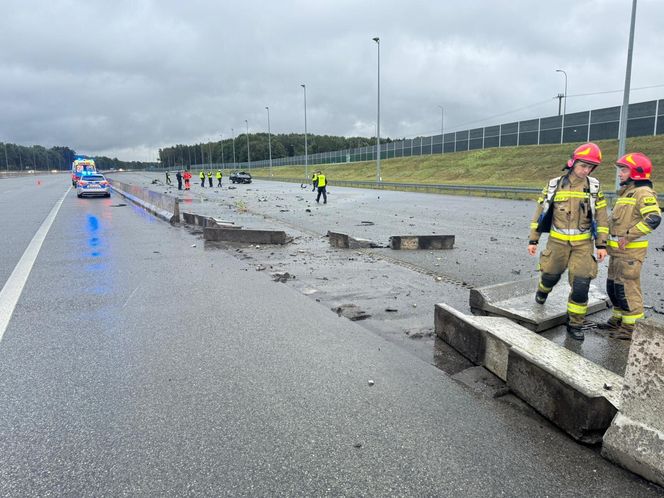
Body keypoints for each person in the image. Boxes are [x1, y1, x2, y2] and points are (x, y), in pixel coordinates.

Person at [527, 143, 609, 341]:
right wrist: (533, 239)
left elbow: (602, 217)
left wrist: (602, 244)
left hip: (583, 245)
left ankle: (575, 323)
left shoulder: (594, 187)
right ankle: (542, 290)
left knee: (581, 285)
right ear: (573, 162)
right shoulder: (554, 184)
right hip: (557, 244)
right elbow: (540, 213)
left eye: (590, 167)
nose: (586, 170)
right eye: (583, 165)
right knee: (550, 277)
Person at [597, 152, 661, 340]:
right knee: (614, 287)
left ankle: (630, 328)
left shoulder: (643, 193)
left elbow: (654, 218)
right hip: (618, 252)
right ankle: (617, 320)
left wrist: (628, 235)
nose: (620, 174)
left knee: (627, 289)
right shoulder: (627, 192)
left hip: (631, 252)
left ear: (636, 172)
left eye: (624, 170)